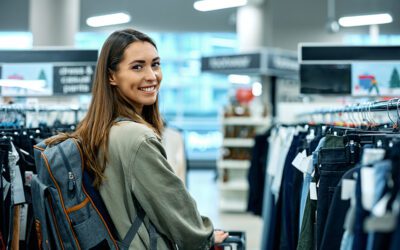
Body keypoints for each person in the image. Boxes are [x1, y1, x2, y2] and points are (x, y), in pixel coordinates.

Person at [70, 28, 228, 249]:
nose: (152, 76)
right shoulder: (137, 138)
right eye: (137, 67)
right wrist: (205, 235)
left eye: (155, 64)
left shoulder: (95, 130)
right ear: (111, 76)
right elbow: (175, 208)